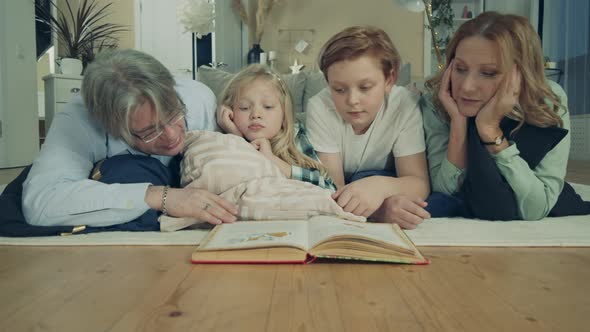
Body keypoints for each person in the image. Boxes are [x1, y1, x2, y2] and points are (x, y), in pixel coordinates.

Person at [21, 49, 238, 233]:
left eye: (174, 115)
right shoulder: (77, 121)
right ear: (111, 127)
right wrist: (160, 197)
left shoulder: (198, 97)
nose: (172, 136)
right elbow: (40, 204)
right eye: (149, 131)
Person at [421, 11, 590, 220]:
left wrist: (490, 130)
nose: (466, 87)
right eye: (460, 68)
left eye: (488, 73)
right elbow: (445, 191)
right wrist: (458, 124)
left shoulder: (547, 101)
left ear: (521, 74)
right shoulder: (437, 101)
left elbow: (536, 209)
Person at [305, 26, 431, 230]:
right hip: (347, 188)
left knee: (439, 202)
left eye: (365, 87)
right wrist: (381, 210)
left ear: (389, 80)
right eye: (339, 89)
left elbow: (419, 183)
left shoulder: (404, 104)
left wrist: (381, 186)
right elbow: (332, 189)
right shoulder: (319, 107)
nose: (352, 100)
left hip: (385, 180)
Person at [216, 64, 335, 190]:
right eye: (244, 107)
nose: (255, 115)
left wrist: (272, 159)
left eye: (268, 106)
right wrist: (237, 137)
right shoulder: (226, 138)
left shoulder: (295, 138)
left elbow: (329, 188)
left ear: (284, 114)